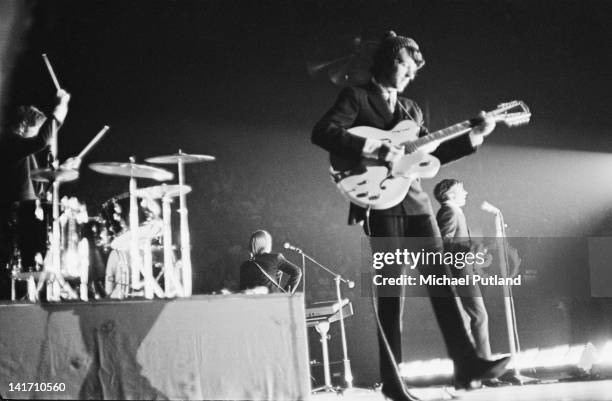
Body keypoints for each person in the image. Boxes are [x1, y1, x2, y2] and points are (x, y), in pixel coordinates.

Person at [311, 31, 508, 399]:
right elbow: (323, 132)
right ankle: (392, 382)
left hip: (416, 205)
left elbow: (430, 155)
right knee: (392, 297)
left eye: (414, 69)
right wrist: (373, 146)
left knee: (442, 285)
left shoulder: (412, 111)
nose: (409, 73)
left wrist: (474, 137)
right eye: (404, 64)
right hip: (380, 204)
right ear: (386, 62)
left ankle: (466, 364)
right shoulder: (357, 97)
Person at [0, 89, 71, 299]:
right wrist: (59, 111)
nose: (38, 134)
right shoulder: (8, 142)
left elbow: (37, 187)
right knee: (12, 266)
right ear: (23, 126)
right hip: (11, 215)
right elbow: (41, 141)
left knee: (30, 263)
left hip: (24, 212)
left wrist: (63, 169)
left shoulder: (21, 152)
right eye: (35, 129)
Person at [434, 179, 493, 360]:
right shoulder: (449, 211)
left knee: (474, 317)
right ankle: (483, 365)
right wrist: (469, 249)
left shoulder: (454, 211)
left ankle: (477, 364)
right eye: (461, 189)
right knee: (479, 316)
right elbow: (443, 244)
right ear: (450, 194)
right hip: (459, 273)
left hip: (461, 271)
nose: (465, 192)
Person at [239, 230, 302, 294]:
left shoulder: (245, 265)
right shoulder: (275, 258)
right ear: (266, 244)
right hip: (273, 300)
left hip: (254, 302)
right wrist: (285, 294)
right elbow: (297, 272)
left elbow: (243, 290)